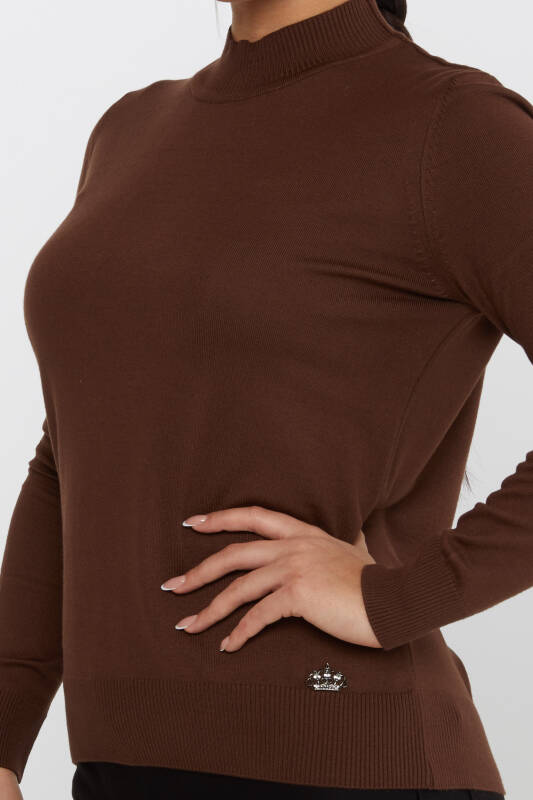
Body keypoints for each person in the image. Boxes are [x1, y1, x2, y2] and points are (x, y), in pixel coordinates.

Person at [0, 0, 531, 797]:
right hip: (120, 765)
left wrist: (396, 597)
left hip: (341, 765)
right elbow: (71, 454)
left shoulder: (452, 125)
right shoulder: (131, 129)